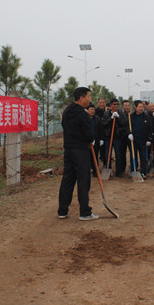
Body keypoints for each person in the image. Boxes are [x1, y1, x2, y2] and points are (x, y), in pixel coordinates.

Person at [58, 87, 98, 221]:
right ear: (81, 98)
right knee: (83, 181)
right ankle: (85, 212)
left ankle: (62, 211)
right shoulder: (83, 114)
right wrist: (91, 139)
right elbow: (88, 134)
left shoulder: (67, 111)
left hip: (68, 150)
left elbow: (65, 126)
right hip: (81, 151)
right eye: (88, 97)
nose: (90, 99)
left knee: (67, 181)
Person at [126, 100, 153, 177]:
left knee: (143, 157)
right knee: (133, 156)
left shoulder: (147, 117)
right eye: (140, 107)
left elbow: (150, 129)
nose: (141, 108)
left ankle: (143, 172)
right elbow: (127, 127)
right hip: (133, 140)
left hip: (143, 140)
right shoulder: (131, 117)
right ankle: (133, 171)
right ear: (135, 107)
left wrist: (149, 139)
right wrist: (129, 134)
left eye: (142, 107)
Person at [102, 98, 128, 177]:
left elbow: (124, 124)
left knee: (118, 155)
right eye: (114, 104)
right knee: (108, 154)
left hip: (118, 137)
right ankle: (108, 170)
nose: (116, 106)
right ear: (111, 105)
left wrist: (118, 118)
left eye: (117, 104)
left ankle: (119, 172)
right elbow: (104, 124)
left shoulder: (121, 113)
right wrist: (111, 118)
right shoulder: (106, 114)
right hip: (109, 137)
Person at [86, 104, 104, 177]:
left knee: (95, 157)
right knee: (87, 157)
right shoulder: (85, 118)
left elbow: (101, 129)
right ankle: (87, 171)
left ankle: (95, 171)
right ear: (87, 110)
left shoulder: (97, 119)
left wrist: (101, 139)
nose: (92, 111)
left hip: (96, 141)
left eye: (93, 109)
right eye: (91, 109)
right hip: (86, 142)